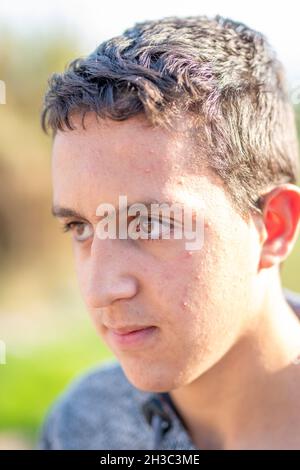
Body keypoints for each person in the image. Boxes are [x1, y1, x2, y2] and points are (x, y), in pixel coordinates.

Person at [38, 15, 300, 450]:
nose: (102, 288)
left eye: (151, 223)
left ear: (274, 227)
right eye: (79, 226)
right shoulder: (80, 425)